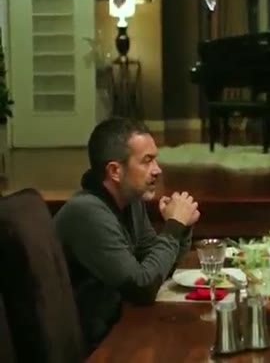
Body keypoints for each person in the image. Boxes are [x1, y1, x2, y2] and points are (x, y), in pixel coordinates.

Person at [54, 118, 200, 353]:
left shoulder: (130, 201)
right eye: (147, 161)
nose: (158, 169)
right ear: (115, 171)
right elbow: (142, 287)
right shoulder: (87, 212)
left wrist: (181, 228)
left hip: (120, 324)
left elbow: (158, 268)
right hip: (92, 346)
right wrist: (174, 226)